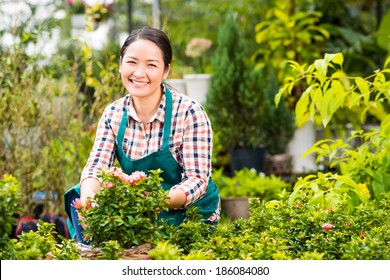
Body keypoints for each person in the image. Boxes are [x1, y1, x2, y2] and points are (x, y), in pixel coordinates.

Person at [64, 26, 220, 243]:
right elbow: (96, 166)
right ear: (120, 64)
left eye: (151, 65)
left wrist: (153, 201)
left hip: (186, 212)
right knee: (77, 194)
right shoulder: (114, 113)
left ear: (166, 71)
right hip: (140, 211)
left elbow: (197, 180)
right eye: (131, 62)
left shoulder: (189, 112)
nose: (139, 73)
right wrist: (89, 199)